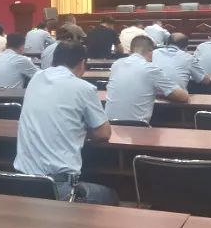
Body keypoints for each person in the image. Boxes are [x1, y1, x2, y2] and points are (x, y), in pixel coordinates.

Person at [14, 41, 118, 205]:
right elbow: (104, 133)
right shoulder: (83, 88)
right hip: (58, 185)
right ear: (82, 63)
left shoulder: (36, 79)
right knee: (109, 196)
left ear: (54, 60)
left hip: (22, 180)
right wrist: (78, 129)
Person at [105, 35, 189, 123]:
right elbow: (183, 97)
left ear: (130, 51)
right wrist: (161, 93)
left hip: (110, 125)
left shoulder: (116, 64)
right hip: (137, 126)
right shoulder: (150, 69)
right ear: (151, 52)